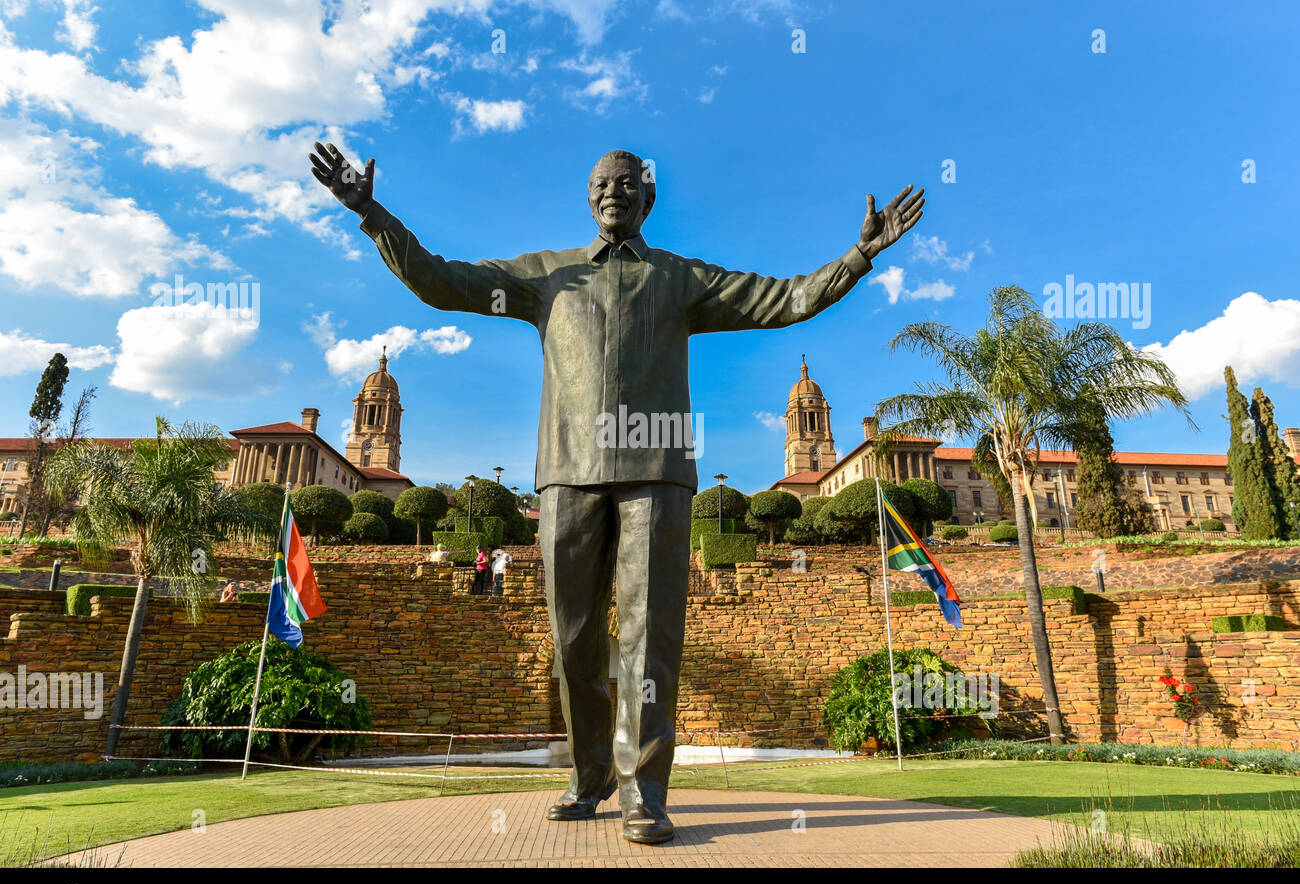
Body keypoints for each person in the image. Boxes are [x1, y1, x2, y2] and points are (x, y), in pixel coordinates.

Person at [310, 143, 922, 845]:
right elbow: (440, 280)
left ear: (647, 198)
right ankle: (593, 768)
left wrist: (857, 255)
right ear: (588, 195)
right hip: (567, 469)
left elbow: (783, 298)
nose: (612, 193)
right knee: (573, 637)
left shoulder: (680, 277)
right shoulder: (547, 275)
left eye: (625, 184)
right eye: (600, 183)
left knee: (650, 635)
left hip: (656, 472)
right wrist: (370, 211)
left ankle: (644, 790)